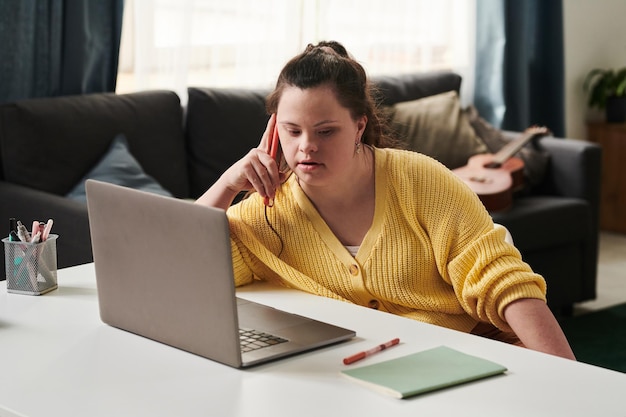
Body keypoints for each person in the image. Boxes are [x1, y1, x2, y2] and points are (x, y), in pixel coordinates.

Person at [196, 41, 576, 360]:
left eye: (326, 131)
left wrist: (568, 375)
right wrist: (227, 185)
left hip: (472, 351)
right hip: (371, 365)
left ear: (359, 125)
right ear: (274, 131)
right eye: (292, 131)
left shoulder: (422, 181)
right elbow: (183, 261)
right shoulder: (267, 210)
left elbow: (503, 282)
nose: (307, 146)